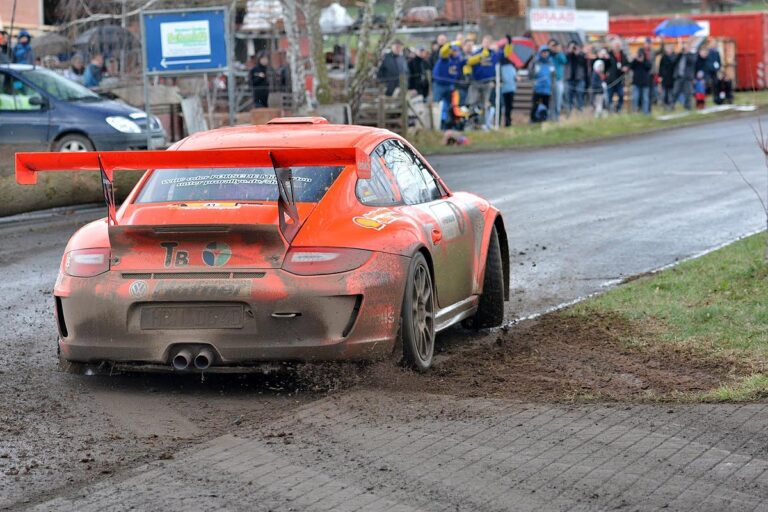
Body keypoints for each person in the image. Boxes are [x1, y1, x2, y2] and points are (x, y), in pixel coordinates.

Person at [467, 35, 510, 121]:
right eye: (484, 42)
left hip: (487, 82)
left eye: (488, 42)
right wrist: (480, 56)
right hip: (476, 82)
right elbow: (469, 62)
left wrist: (509, 44)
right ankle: (470, 122)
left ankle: (482, 123)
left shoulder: (493, 54)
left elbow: (505, 54)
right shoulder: (476, 52)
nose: (486, 44)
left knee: (484, 104)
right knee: (472, 102)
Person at [432, 41, 465, 130]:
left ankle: (446, 124)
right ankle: (435, 125)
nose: (455, 52)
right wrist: (449, 45)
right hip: (439, 85)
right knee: (436, 105)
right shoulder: (445, 58)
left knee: (449, 106)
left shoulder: (458, 60)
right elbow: (443, 52)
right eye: (453, 50)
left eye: (456, 51)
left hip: (450, 85)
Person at [530, 45, 554, 123]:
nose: (545, 54)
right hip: (538, 88)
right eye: (543, 52)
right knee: (535, 105)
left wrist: (551, 85)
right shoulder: (536, 62)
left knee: (546, 105)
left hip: (547, 88)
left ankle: (544, 120)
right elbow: (530, 74)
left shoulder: (550, 62)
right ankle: (533, 120)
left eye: (546, 52)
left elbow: (553, 75)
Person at [564, 41, 588, 114]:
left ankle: (580, 112)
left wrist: (578, 54)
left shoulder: (582, 55)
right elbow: (564, 61)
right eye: (572, 47)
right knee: (568, 97)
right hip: (569, 79)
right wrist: (569, 52)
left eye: (575, 47)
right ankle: (569, 113)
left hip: (579, 79)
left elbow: (584, 63)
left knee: (580, 95)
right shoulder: (566, 55)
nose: (573, 49)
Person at [672, 41, 696, 110]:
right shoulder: (680, 55)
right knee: (675, 92)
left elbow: (692, 61)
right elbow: (674, 61)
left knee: (688, 93)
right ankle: (672, 105)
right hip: (679, 76)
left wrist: (686, 53)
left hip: (687, 77)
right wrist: (680, 53)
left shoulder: (692, 54)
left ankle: (688, 107)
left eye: (687, 46)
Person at [606, 39, 629, 113]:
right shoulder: (608, 55)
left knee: (621, 94)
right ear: (613, 47)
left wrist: (626, 68)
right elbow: (605, 65)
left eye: (618, 46)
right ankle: (610, 110)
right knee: (609, 95)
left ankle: (618, 109)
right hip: (610, 80)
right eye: (616, 46)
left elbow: (627, 64)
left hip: (620, 79)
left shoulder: (623, 55)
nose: (617, 48)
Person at [548, 39, 567, 120]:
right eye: (552, 46)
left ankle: (557, 116)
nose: (554, 47)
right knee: (550, 100)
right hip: (548, 80)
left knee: (558, 99)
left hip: (558, 80)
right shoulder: (547, 55)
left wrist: (558, 52)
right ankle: (549, 116)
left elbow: (564, 61)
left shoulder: (559, 55)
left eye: (555, 46)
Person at [630, 48, 652, 114]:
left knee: (645, 98)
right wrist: (635, 59)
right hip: (636, 82)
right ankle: (634, 112)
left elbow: (649, 67)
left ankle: (646, 112)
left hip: (645, 83)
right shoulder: (635, 61)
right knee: (635, 98)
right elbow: (631, 67)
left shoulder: (647, 60)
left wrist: (642, 61)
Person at [500, 54, 517, 127]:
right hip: (508, 89)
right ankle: (507, 120)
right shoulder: (510, 67)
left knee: (507, 106)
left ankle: (507, 120)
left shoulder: (503, 67)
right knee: (507, 106)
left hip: (507, 89)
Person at [658, 44, 676, 109]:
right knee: (664, 92)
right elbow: (660, 67)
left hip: (672, 77)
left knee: (671, 92)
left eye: (670, 48)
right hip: (665, 77)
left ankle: (671, 104)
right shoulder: (664, 57)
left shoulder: (674, 56)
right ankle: (664, 104)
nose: (669, 49)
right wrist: (660, 76)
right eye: (668, 48)